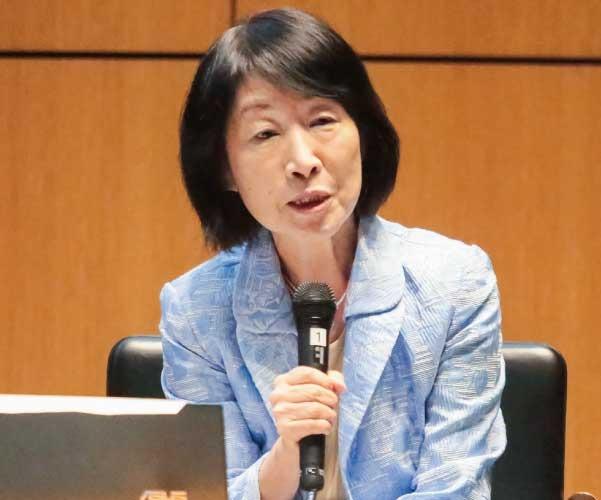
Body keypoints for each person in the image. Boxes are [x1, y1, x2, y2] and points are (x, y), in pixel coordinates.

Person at [160, 7, 506, 500]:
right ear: (224, 170)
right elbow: (208, 494)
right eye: (265, 133)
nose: (303, 162)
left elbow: (455, 488)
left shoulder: (454, 285)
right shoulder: (196, 312)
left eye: (322, 120)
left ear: (362, 134)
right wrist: (284, 459)